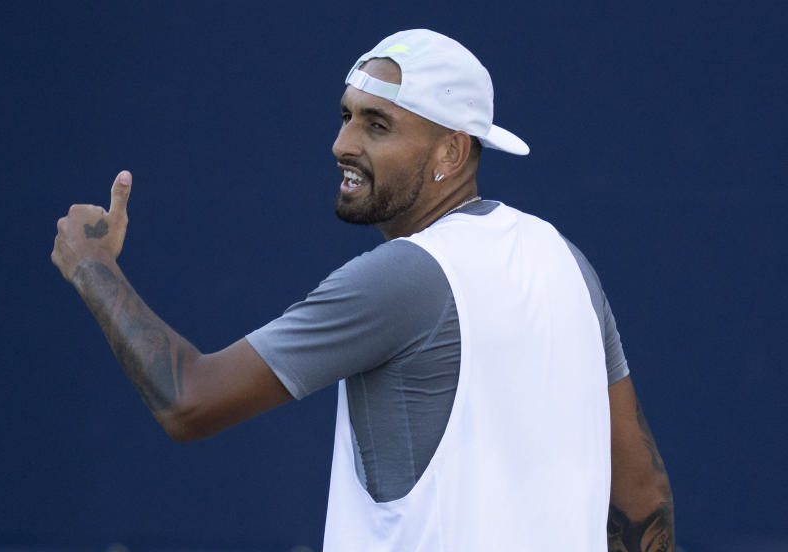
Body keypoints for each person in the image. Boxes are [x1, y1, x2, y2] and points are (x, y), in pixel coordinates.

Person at [52, 29, 673, 552]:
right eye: (346, 116)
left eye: (377, 125)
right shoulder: (566, 262)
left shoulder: (402, 277)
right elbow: (642, 495)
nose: (343, 143)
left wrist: (92, 265)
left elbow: (189, 401)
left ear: (452, 153)